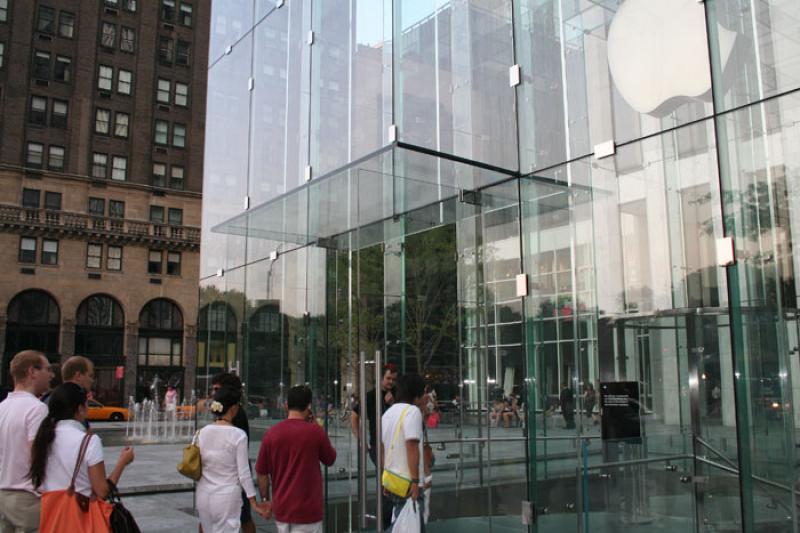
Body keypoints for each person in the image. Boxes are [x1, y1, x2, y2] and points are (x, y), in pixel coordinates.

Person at [29, 382, 135, 521]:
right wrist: (122, 462)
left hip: (50, 518)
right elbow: (102, 491)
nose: (88, 409)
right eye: (87, 404)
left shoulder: (44, 437)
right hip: (80, 518)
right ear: (80, 409)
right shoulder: (89, 441)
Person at [255, 385, 336, 533]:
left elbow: (261, 473)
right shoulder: (315, 432)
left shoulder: (271, 434)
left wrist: (266, 500)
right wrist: (317, 426)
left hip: (282, 509)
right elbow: (330, 459)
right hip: (308, 510)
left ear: (286, 405)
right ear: (309, 406)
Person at [196, 386, 268, 532]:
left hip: (204, 494)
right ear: (234, 408)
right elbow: (244, 473)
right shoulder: (238, 435)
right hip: (226, 497)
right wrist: (253, 502)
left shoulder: (201, 433)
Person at [0, 350, 53, 532]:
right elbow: (36, 455)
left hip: (3, 495)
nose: (51, 375)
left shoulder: (2, 407)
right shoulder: (37, 409)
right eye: (47, 369)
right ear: (32, 372)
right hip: (27, 498)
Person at [351, 363, 397, 529]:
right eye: (388, 378)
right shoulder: (371, 396)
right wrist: (361, 440)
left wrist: (392, 404)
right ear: (381, 378)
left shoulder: (397, 395)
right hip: (378, 446)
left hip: (394, 446)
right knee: (386, 484)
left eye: (393, 379)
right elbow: (354, 415)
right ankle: (385, 524)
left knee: (392, 484)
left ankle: (391, 521)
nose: (390, 382)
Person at [207, 372, 254, 533]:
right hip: (224, 476)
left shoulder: (235, 415)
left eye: (216, 389)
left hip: (230, 476)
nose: (214, 393)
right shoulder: (231, 414)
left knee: (243, 517)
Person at [381, 373, 427, 531]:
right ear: (417, 394)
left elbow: (384, 448)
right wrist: (415, 481)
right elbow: (412, 445)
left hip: (393, 480)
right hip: (408, 482)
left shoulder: (388, 413)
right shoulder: (412, 412)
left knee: (404, 523)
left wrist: (385, 477)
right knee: (411, 524)